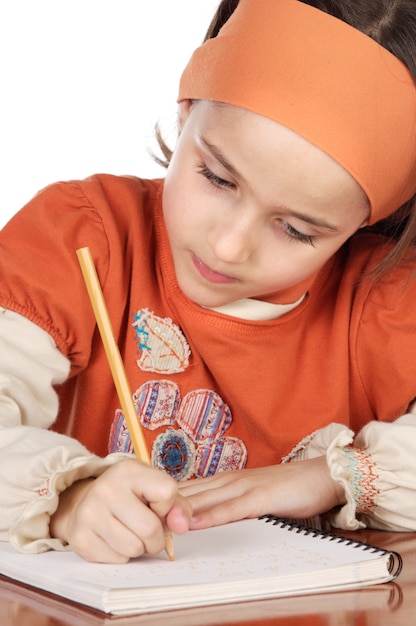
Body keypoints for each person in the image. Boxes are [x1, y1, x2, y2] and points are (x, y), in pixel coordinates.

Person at [0, 0, 415, 565]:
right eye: (217, 177)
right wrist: (68, 497)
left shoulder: (382, 299)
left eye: (296, 229)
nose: (228, 246)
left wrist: (331, 477)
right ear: (186, 109)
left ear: (360, 224)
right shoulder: (83, 238)